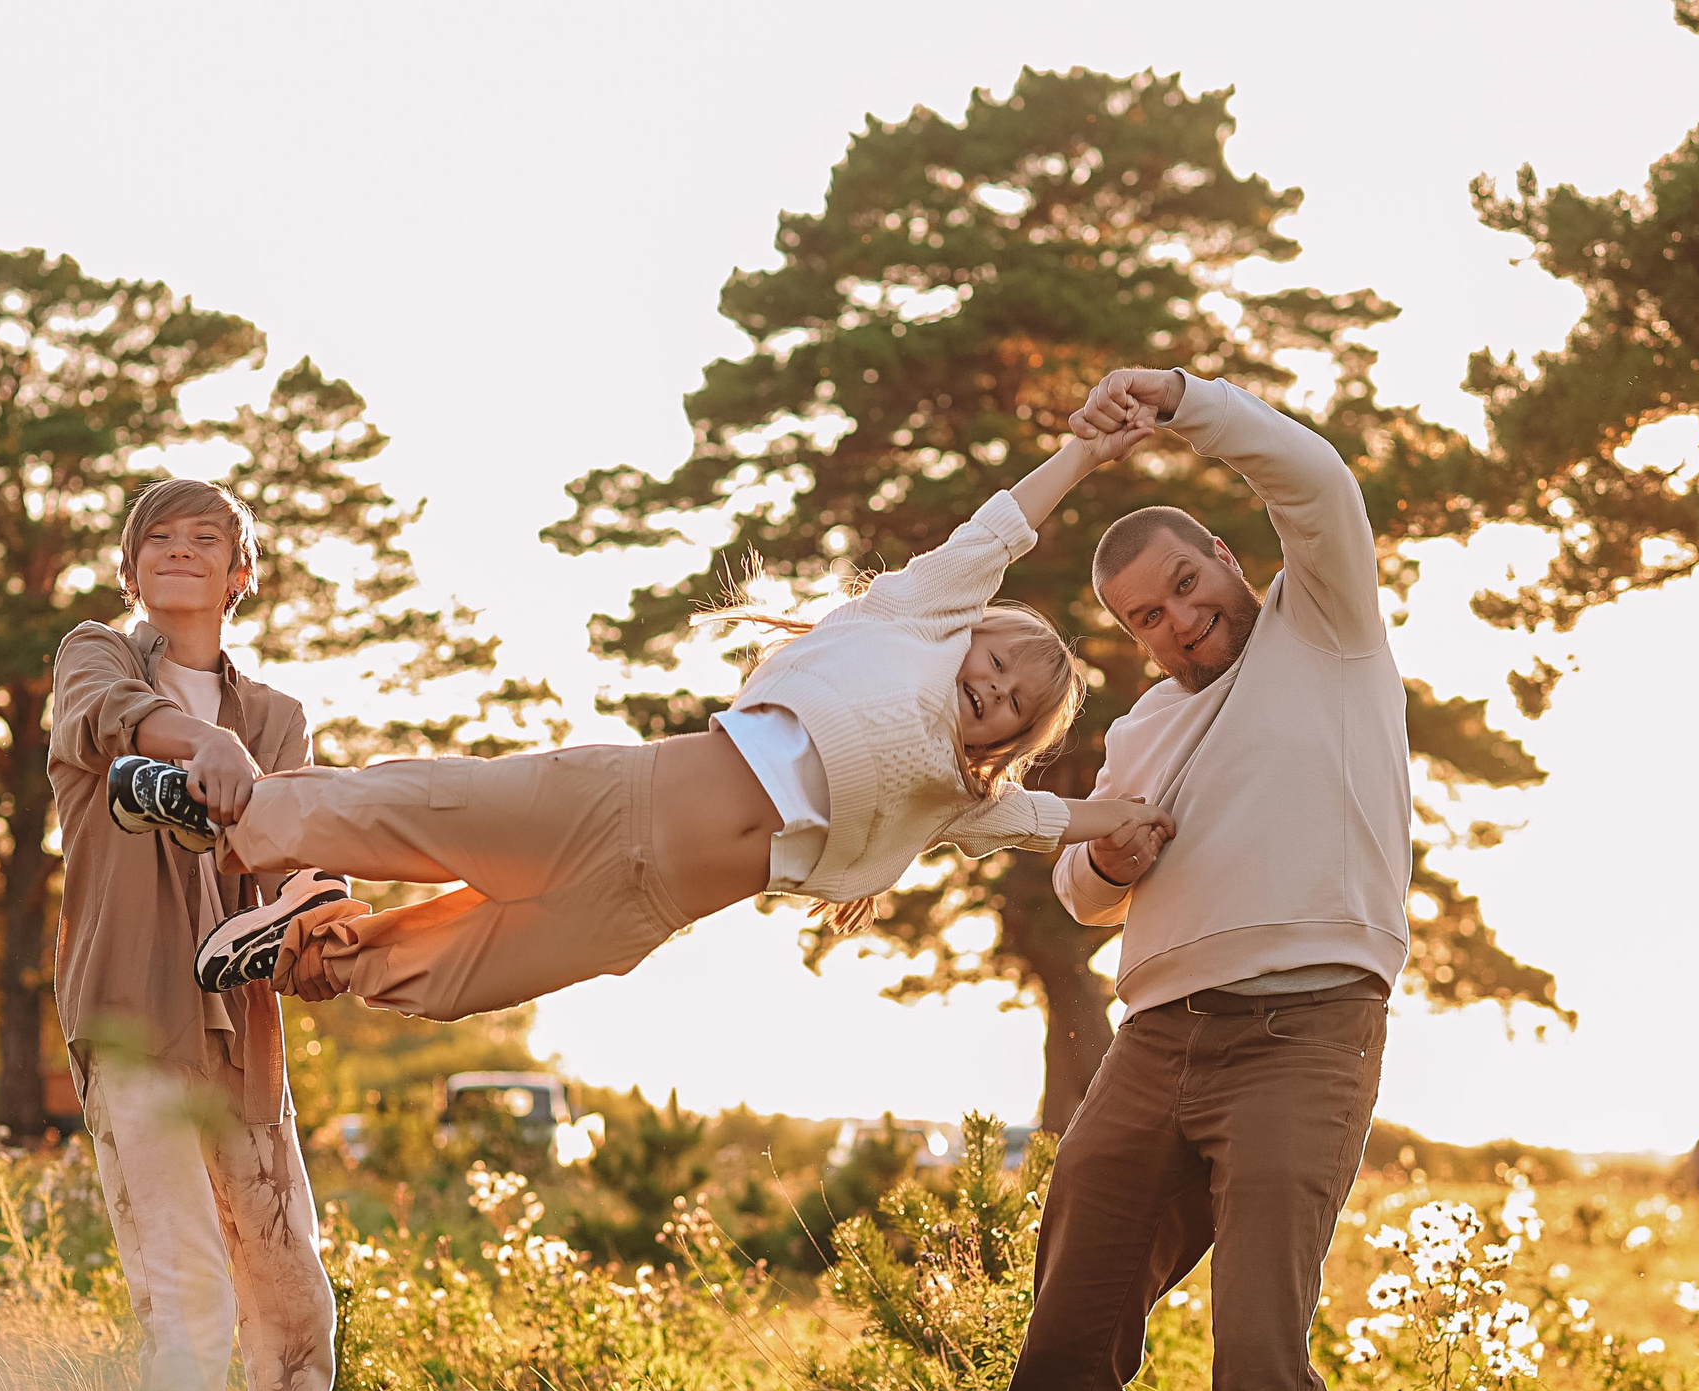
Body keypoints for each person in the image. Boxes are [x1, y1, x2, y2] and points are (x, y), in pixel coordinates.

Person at [104, 392, 1177, 1023]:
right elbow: (999, 531)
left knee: (452, 978)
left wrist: (1122, 820)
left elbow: (1048, 819)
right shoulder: (910, 621)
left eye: (1012, 707)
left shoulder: (950, 802)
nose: (990, 691)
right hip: (611, 800)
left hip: (643, 909)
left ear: (1013, 739)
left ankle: (313, 943)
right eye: (992, 665)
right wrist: (1087, 449)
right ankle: (225, 809)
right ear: (964, 633)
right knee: (417, 810)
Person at [1005, 364, 1410, 1391]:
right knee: (1069, 1330)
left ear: (1228, 560)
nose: (1176, 620)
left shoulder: (1320, 626)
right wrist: (1101, 853)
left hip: (1306, 1033)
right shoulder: (1137, 730)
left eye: (1184, 584)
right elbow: (1082, 892)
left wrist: (1181, 400)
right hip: (1156, 1042)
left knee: (1256, 1348)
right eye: (1143, 616)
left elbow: (1317, 476)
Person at [47, 477, 354, 1391]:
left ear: (241, 575)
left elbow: (287, 865)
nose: (179, 550)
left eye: (206, 539)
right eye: (157, 540)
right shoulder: (94, 654)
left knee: (292, 1301)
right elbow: (106, 719)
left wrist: (312, 914)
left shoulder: (278, 717)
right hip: (134, 1021)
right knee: (188, 1297)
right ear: (130, 573)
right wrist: (201, 748)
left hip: (241, 1039)